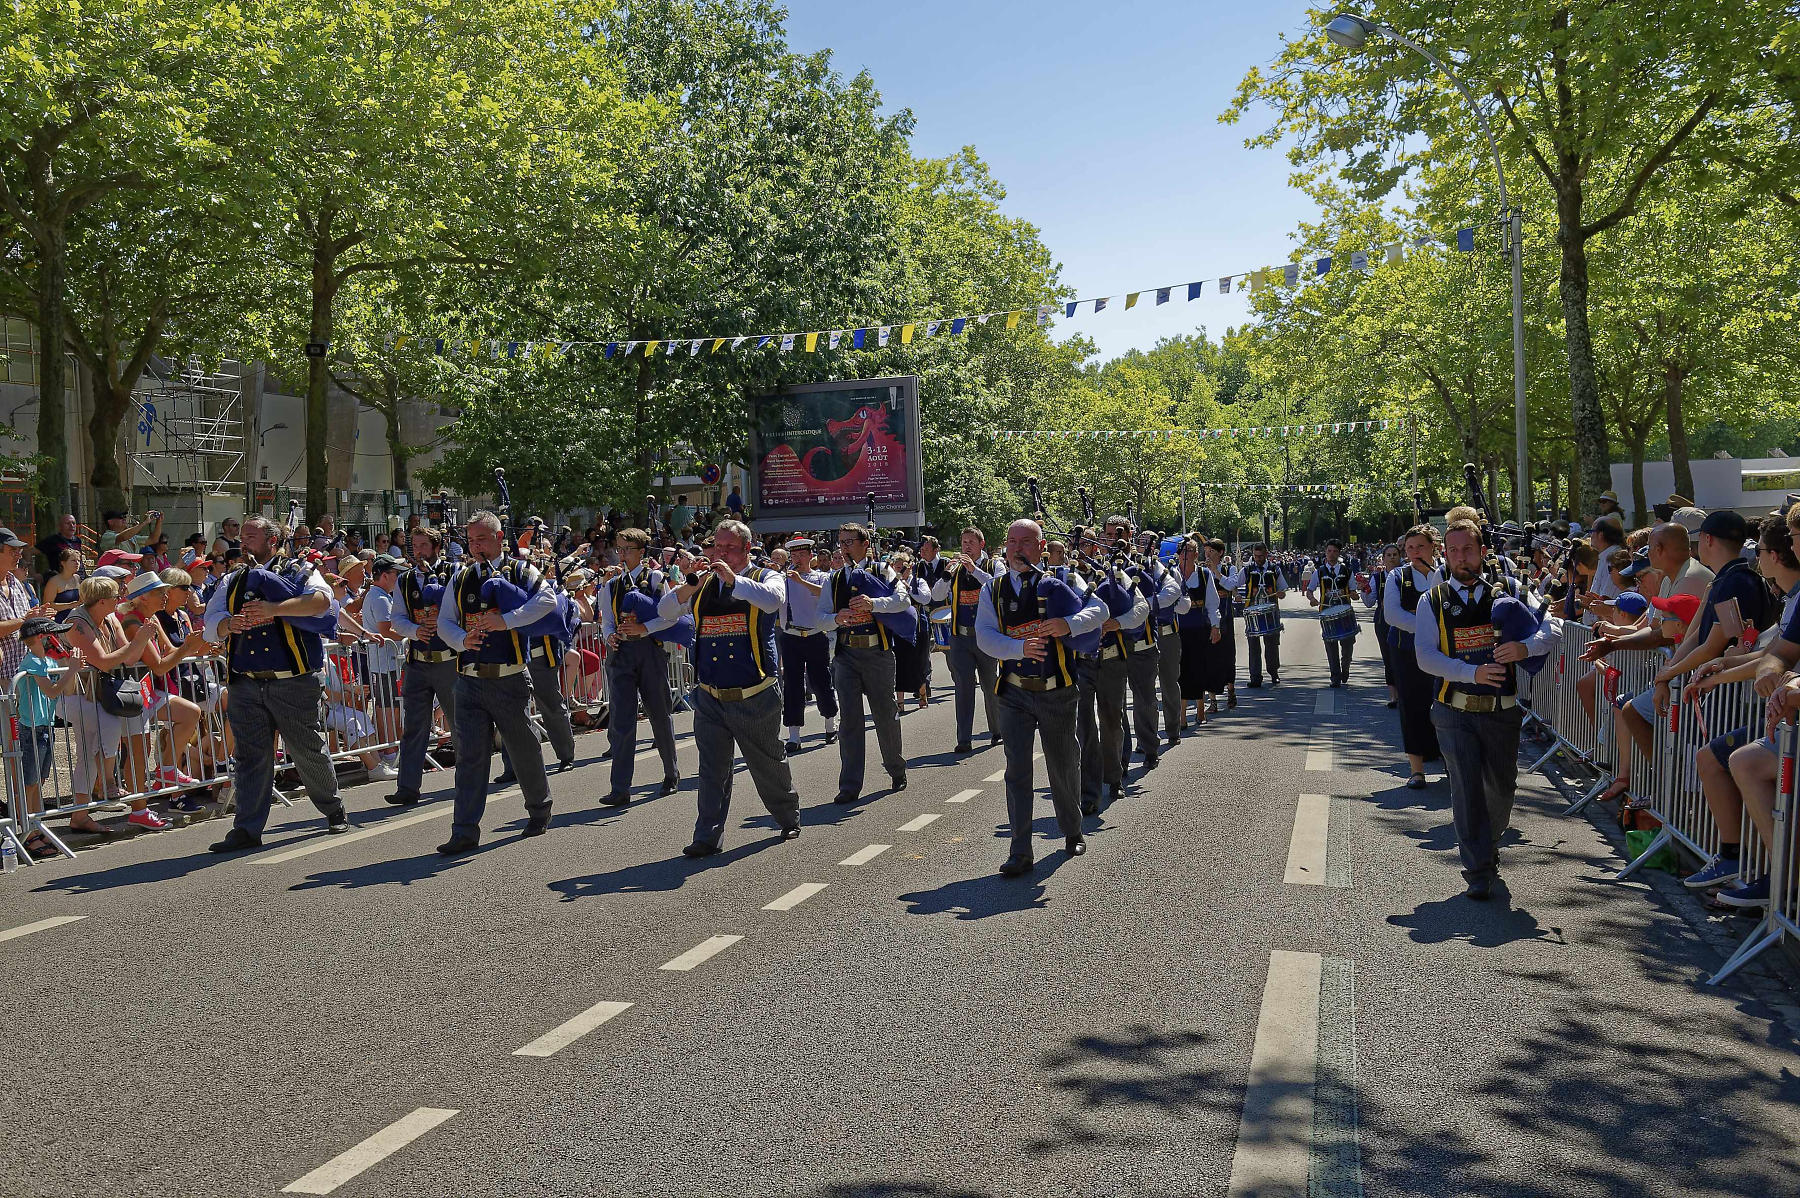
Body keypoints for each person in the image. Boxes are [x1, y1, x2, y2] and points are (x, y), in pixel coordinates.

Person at [1415, 520, 1558, 899]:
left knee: (1501, 788)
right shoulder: (1432, 600)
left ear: (1482, 552)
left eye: (1468, 549)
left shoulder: (1510, 590)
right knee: (1465, 790)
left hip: (1502, 711)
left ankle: (1488, 843)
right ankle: (1477, 868)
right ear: (1445, 553)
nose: (1461, 557)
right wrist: (1471, 671)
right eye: (1454, 550)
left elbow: (1553, 626)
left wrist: (1527, 648)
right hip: (1453, 711)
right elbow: (1425, 656)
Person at [204, 516, 349, 851]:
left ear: (273, 540)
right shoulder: (233, 578)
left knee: (307, 749)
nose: (243, 541)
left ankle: (332, 807)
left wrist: (274, 608)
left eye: (251, 535)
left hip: (293, 680)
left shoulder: (301, 569)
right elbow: (210, 621)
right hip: (246, 682)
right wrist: (229, 625)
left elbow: (322, 602)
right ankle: (247, 828)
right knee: (250, 756)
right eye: (241, 536)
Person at [658, 519, 802, 855]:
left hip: (754, 693)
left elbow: (773, 601)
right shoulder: (703, 584)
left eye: (729, 549)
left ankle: (787, 816)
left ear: (747, 549)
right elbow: (664, 611)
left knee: (768, 763)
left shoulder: (766, 576)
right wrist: (689, 585)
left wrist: (733, 580)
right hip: (709, 695)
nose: (720, 554)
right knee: (712, 769)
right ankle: (707, 836)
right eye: (717, 548)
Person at [975, 518, 1107, 876]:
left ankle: (1072, 830)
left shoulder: (1063, 580)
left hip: (1057, 692)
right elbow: (984, 637)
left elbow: (1100, 610)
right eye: (1012, 541)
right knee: (1017, 771)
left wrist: (1070, 625)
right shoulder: (993, 589)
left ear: (1041, 545)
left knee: (1062, 766)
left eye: (1026, 542)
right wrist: (1019, 647)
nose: (1017, 548)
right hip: (1014, 692)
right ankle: (1021, 850)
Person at [433, 510, 555, 854]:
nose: (475, 546)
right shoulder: (460, 576)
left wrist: (508, 621)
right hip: (468, 679)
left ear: (500, 538)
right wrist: (460, 641)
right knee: (470, 756)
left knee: (522, 748)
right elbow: (444, 621)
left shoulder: (520, 570)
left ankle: (539, 809)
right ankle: (465, 830)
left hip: (509, 678)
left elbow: (548, 600)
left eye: (482, 539)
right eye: (471, 540)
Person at [816, 522, 911, 803]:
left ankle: (896, 768)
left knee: (885, 714)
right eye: (840, 542)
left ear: (864, 544)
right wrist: (835, 619)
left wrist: (874, 604)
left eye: (849, 542)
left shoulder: (882, 570)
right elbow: (818, 618)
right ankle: (850, 785)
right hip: (845, 656)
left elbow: (903, 600)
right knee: (850, 721)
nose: (843, 547)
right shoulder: (832, 580)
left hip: (878, 654)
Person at [597, 527, 681, 807]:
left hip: (649, 651)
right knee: (621, 720)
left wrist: (645, 628)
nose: (621, 555)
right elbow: (606, 619)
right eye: (619, 549)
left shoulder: (657, 578)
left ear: (642, 552)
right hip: (621, 653)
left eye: (627, 549)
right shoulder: (611, 585)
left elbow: (670, 617)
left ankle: (671, 773)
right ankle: (620, 787)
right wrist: (609, 633)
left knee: (659, 713)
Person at [384, 528, 458, 806]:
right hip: (418, 661)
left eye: (424, 545)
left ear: (437, 547)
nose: (418, 551)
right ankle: (407, 787)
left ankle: (468, 779)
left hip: (450, 661)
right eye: (414, 546)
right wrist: (416, 631)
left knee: (460, 723)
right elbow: (397, 619)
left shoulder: (454, 572)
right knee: (414, 726)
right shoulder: (404, 581)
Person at [11, 614, 87, 857]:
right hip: (31, 727)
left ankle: (34, 825)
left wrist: (70, 667)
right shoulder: (32, 661)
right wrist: (71, 669)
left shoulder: (50, 662)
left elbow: (68, 688)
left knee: (39, 780)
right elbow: (52, 691)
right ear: (41, 638)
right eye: (52, 635)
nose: (57, 639)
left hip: (45, 726)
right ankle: (29, 830)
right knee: (30, 783)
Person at [1385, 524, 1444, 789]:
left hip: (1442, 650)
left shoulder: (1443, 573)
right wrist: (1427, 626)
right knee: (1411, 705)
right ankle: (1416, 770)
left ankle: (1450, 762)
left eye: (1420, 546)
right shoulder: (1397, 576)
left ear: (1433, 547)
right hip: (1406, 649)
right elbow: (1393, 615)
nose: (1414, 552)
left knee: (1445, 704)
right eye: (1409, 548)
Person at [930, 527, 998, 752]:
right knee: (963, 687)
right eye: (963, 542)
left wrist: (974, 569)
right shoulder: (955, 569)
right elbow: (936, 596)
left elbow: (997, 587)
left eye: (971, 541)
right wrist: (946, 575)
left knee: (990, 685)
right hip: (960, 637)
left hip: (986, 637)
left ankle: (997, 730)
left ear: (982, 544)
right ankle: (964, 738)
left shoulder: (992, 565)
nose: (966, 546)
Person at [776, 538, 836, 753]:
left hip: (815, 635)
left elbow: (825, 594)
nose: (797, 559)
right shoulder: (782, 580)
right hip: (791, 636)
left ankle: (830, 723)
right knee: (792, 685)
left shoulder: (821, 576)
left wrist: (801, 581)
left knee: (821, 682)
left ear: (811, 556)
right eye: (794, 555)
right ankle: (793, 735)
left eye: (802, 555)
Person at [1140, 532, 1190, 748]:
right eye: (1141, 543)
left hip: (1167, 633)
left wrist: (1158, 604)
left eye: (1148, 544)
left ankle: (1172, 729)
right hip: (1144, 635)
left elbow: (1184, 605)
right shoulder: (1130, 570)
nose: (1144, 547)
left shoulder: (1168, 572)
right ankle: (1147, 738)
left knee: (1169, 683)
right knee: (1145, 689)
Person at [1305, 538, 1359, 688]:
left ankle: (1345, 665)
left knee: (1348, 643)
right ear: (1325, 552)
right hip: (1327, 612)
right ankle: (1335, 676)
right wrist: (1312, 599)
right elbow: (1309, 590)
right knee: (1330, 643)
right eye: (1329, 551)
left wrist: (1354, 594)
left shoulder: (1347, 570)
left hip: (1345, 611)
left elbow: (1353, 590)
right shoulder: (1319, 571)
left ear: (1339, 553)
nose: (1331, 554)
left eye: (1335, 551)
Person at [889, 551, 933, 710]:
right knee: (899, 665)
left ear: (910, 567)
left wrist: (908, 587)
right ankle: (900, 702)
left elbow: (926, 598)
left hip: (918, 628)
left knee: (919, 663)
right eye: (897, 567)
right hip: (898, 629)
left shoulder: (919, 581)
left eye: (902, 567)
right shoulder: (892, 582)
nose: (899, 571)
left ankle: (922, 693)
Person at [1241, 543, 1289, 687]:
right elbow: (1234, 585)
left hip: (1271, 613)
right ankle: (1255, 677)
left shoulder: (1275, 569)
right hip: (1252, 613)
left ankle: (1274, 672)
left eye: (1261, 556)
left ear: (1266, 554)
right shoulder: (1247, 570)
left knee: (1272, 644)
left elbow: (1282, 589)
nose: (1258, 559)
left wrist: (1281, 594)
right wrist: (1236, 594)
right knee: (1253, 646)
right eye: (1255, 556)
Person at [1202, 539, 1240, 711]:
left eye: (1211, 551)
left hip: (1225, 617)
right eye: (1206, 551)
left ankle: (1231, 690)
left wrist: (1216, 571)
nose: (1207, 555)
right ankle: (1213, 700)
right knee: (1209, 657)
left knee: (1227, 655)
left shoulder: (1229, 568)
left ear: (1221, 552)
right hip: (1208, 619)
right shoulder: (1201, 570)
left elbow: (1232, 585)